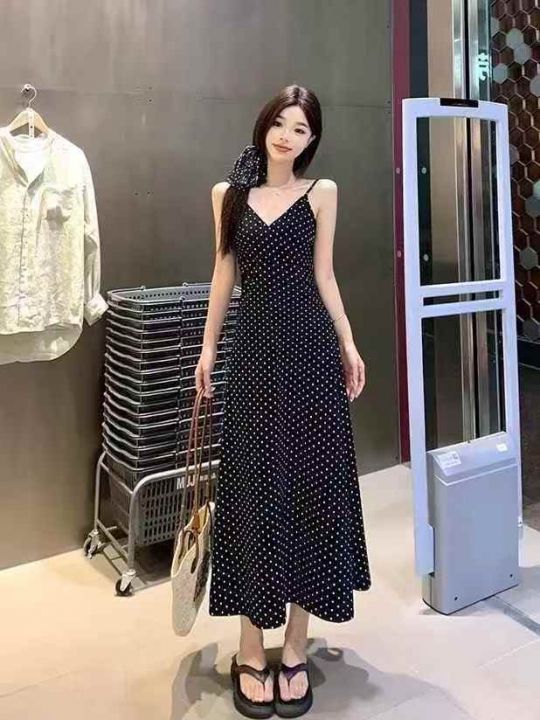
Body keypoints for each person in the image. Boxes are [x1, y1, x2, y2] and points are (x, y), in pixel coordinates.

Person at [195, 84, 371, 718]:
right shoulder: (228, 195)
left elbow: (325, 274)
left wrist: (347, 342)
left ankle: (295, 644)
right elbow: (223, 274)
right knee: (252, 491)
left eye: (300, 129)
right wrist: (208, 349)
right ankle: (250, 644)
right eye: (279, 123)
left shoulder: (322, 193)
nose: (286, 136)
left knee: (311, 490)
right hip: (252, 358)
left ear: (311, 139)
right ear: (263, 125)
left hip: (312, 357)